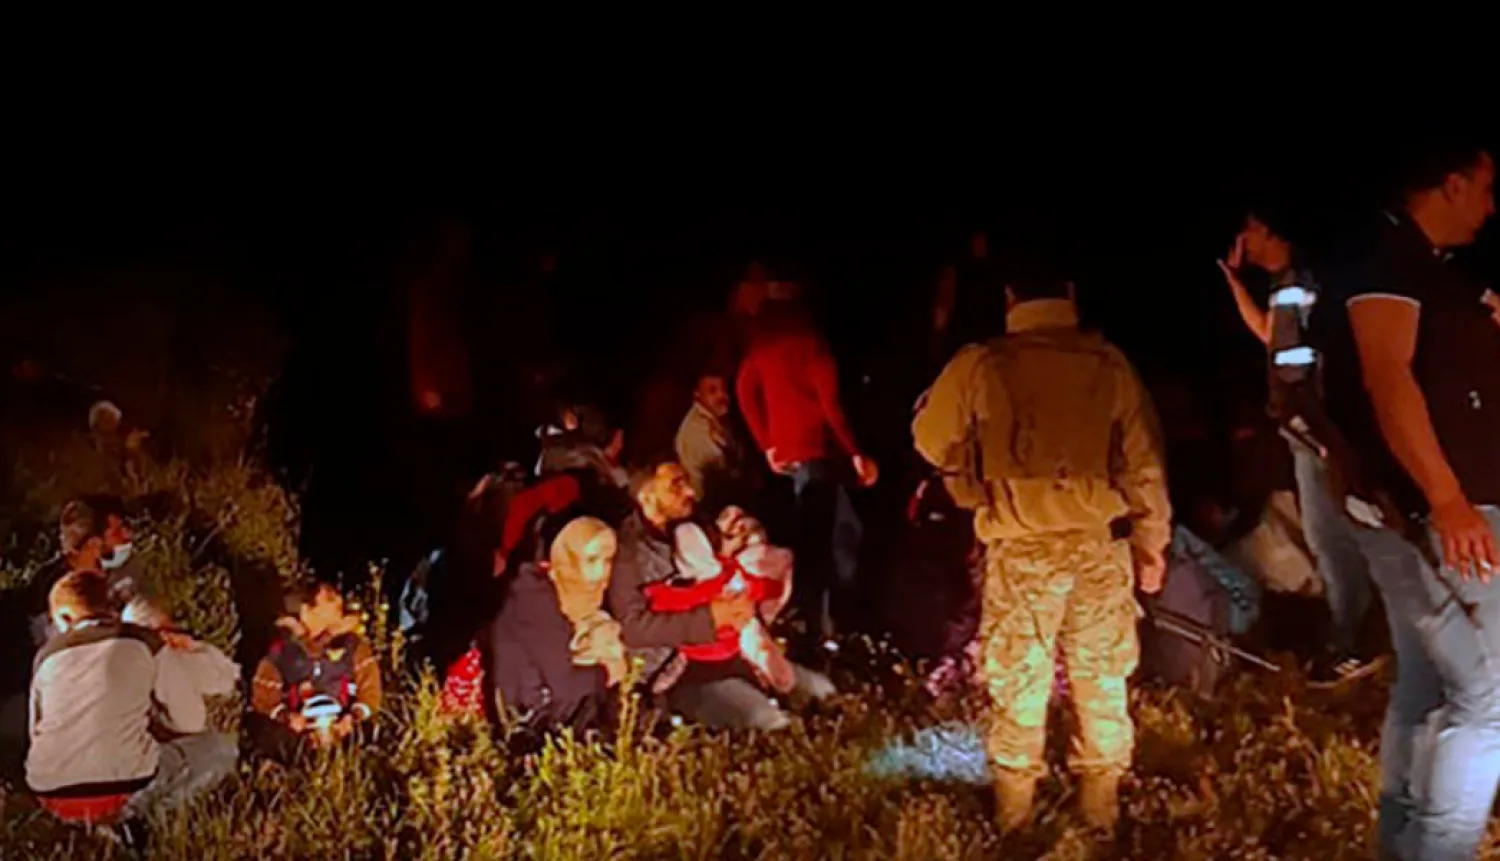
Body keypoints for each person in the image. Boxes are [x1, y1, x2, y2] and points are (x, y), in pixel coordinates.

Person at [911, 244, 1171, 833]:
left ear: (1009, 298)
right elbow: (1145, 465)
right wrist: (1151, 547)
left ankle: (1015, 817)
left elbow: (930, 439)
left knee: (1018, 680)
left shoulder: (980, 364)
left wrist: (968, 481)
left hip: (1022, 549)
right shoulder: (1108, 363)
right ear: (1070, 294)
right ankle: (1099, 814)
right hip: (1099, 546)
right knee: (1102, 678)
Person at [1322, 139, 1497, 860]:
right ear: (1451, 183)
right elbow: (1387, 377)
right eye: (1486, 188)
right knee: (1489, 702)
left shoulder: (1425, 267)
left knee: (1426, 682)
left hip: (1424, 509)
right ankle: (1440, 848)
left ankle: (1399, 843)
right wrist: (1449, 499)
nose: (1491, 206)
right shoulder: (1386, 258)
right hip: (1442, 515)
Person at [1218, 209, 1376, 679]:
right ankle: (1355, 634)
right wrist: (1233, 282)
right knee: (1333, 533)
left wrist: (1320, 431)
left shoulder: (1299, 283)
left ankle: (1351, 643)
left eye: (1250, 229)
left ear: (1272, 230)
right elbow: (1271, 336)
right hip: (1310, 431)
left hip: (1317, 431)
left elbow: (1302, 362)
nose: (1243, 238)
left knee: (1332, 536)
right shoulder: (1288, 285)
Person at [608, 458, 833, 731]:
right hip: (684, 673)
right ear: (646, 495)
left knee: (824, 692)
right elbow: (634, 628)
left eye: (687, 482)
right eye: (675, 485)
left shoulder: (698, 527)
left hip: (738, 650)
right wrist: (709, 618)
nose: (689, 492)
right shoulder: (630, 553)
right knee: (768, 721)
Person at [27, 572, 237, 834]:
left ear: (66, 618)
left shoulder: (46, 657)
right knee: (220, 748)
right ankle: (148, 818)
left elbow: (35, 730)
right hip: (122, 789)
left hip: (50, 794)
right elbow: (190, 721)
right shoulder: (145, 642)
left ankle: (93, 829)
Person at [736, 285, 878, 653]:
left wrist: (768, 442)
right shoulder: (811, 343)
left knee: (818, 538)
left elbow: (744, 390)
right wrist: (854, 451)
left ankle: (819, 625)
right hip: (818, 450)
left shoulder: (762, 343)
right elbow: (830, 403)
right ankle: (830, 628)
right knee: (836, 539)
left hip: (790, 452)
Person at [487, 516, 622, 737]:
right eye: (591, 560)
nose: (602, 571)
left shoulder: (569, 595)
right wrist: (608, 672)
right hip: (531, 726)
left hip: (552, 718)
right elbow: (565, 685)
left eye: (608, 560)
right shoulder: (535, 601)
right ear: (568, 558)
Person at [248, 580, 381, 764]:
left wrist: (352, 717)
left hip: (344, 731)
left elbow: (371, 692)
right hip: (296, 736)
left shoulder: (354, 647)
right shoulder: (283, 651)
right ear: (307, 612)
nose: (337, 613)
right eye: (329, 606)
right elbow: (263, 695)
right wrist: (287, 717)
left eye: (338, 606)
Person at [675, 371, 755, 515]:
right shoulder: (697, 431)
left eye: (724, 389)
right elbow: (721, 478)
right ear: (697, 394)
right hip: (712, 507)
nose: (721, 396)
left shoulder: (718, 418)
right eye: (712, 391)